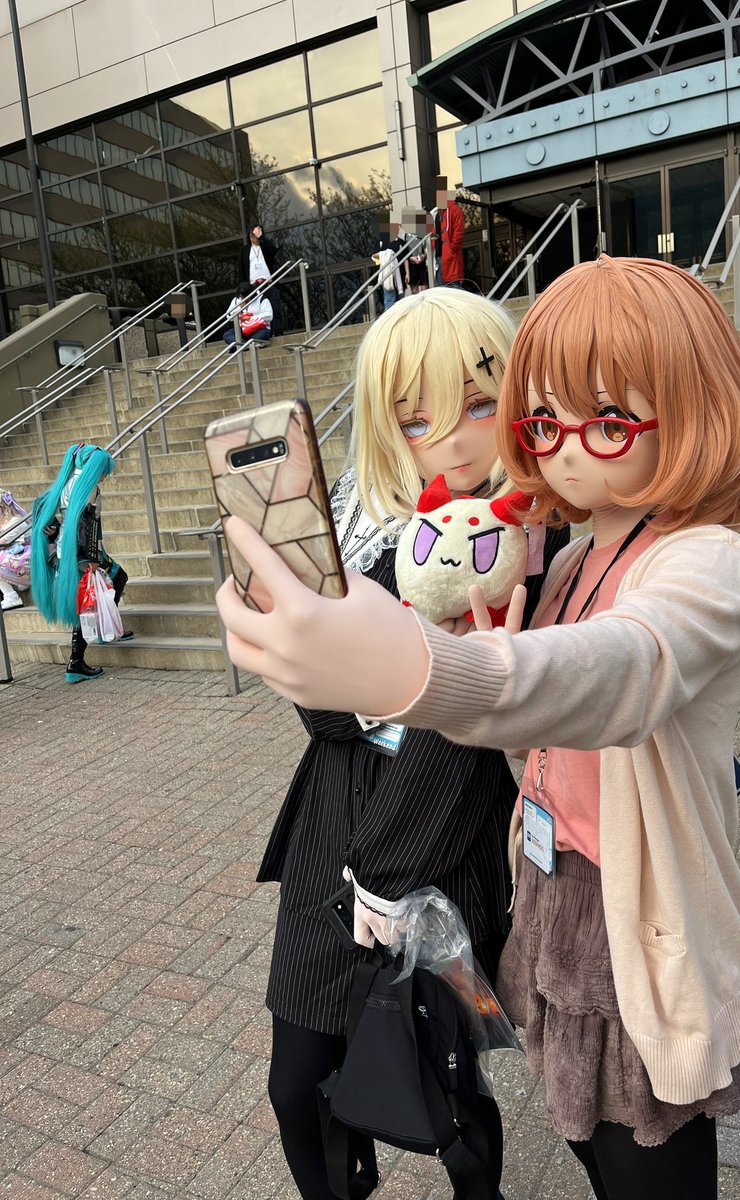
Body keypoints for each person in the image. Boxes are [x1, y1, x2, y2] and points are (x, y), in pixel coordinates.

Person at [216, 255, 740, 1199]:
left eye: (606, 421)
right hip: (541, 897)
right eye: (544, 421)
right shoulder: (557, 557)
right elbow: (533, 740)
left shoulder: (694, 561)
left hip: (618, 911)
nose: (558, 449)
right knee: (583, 1132)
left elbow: (616, 672)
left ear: (694, 409)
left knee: (618, 1141)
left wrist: (417, 667)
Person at [253, 288, 567, 1200]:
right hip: (331, 831)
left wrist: (387, 871)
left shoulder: (531, 538)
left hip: (443, 848)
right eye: (417, 417)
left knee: (447, 1084)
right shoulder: (366, 525)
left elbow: (473, 725)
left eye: (478, 403)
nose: (457, 439)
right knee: (296, 1084)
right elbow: (318, 710)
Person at [31, 443, 132, 683]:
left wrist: (51, 527)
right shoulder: (88, 487)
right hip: (83, 553)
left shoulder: (66, 484)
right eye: (102, 469)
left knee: (111, 583)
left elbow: (42, 507)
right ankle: (76, 661)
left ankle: (107, 628)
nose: (105, 475)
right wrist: (89, 559)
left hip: (69, 553)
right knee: (91, 601)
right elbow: (85, 524)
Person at [238, 223, 284, 335]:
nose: (254, 237)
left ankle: (278, 332)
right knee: (255, 311)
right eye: (252, 235)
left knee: (275, 309)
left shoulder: (265, 247)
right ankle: (261, 333)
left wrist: (262, 237)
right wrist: (241, 290)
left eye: (256, 235)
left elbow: (274, 251)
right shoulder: (245, 250)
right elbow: (241, 270)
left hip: (268, 284)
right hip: (253, 287)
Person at [222, 280, 273, 351]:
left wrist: (250, 318)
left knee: (263, 334)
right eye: (241, 297)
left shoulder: (262, 299)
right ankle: (246, 345)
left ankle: (240, 346)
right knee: (227, 335)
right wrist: (240, 308)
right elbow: (228, 316)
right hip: (243, 330)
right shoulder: (236, 300)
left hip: (259, 329)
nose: (244, 299)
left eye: (246, 297)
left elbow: (269, 316)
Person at [435, 176, 465, 289]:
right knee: (443, 289)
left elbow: (459, 231)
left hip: (449, 255)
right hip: (440, 257)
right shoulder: (438, 212)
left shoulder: (453, 209)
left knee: (454, 287)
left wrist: (452, 248)